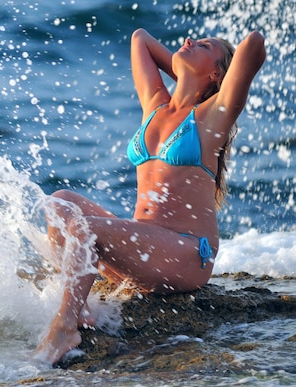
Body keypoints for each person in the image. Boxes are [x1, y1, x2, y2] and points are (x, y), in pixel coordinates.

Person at [34, 28, 266, 365]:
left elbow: (254, 43)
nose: (188, 41)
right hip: (145, 251)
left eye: (203, 46)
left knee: (86, 229)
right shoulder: (156, 104)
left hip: (186, 251)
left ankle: (65, 326)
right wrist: (187, 69)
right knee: (59, 203)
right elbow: (139, 38)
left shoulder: (216, 114)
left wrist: (202, 79)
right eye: (190, 40)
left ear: (217, 74)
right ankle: (80, 309)